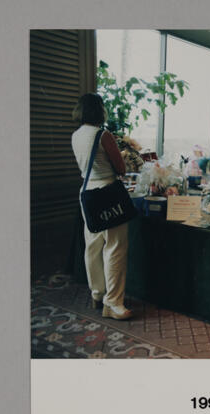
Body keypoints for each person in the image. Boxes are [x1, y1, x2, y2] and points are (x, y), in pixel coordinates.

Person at [71, 93, 133, 320]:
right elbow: (121, 168)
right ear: (100, 111)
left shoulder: (76, 135)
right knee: (114, 247)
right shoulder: (102, 134)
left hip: (87, 194)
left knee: (93, 246)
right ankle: (114, 303)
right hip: (108, 193)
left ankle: (97, 293)